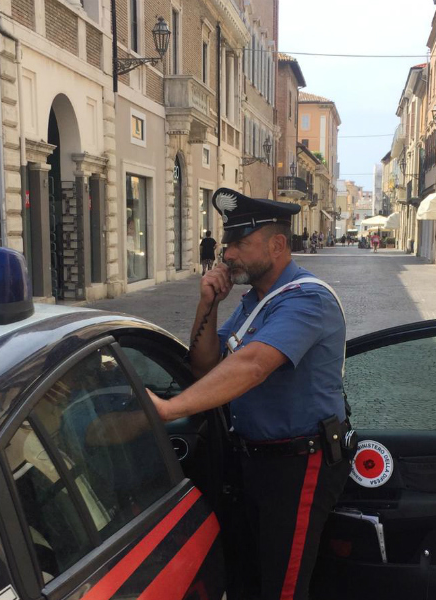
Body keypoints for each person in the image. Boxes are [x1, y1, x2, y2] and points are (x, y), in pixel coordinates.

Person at [147, 188, 350, 600]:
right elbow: (206, 367)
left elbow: (253, 365)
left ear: (277, 245)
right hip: (253, 461)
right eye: (227, 244)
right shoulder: (255, 301)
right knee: (246, 582)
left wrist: (169, 409)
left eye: (240, 243)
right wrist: (208, 303)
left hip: (298, 465)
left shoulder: (307, 299)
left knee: (281, 588)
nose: (227, 254)